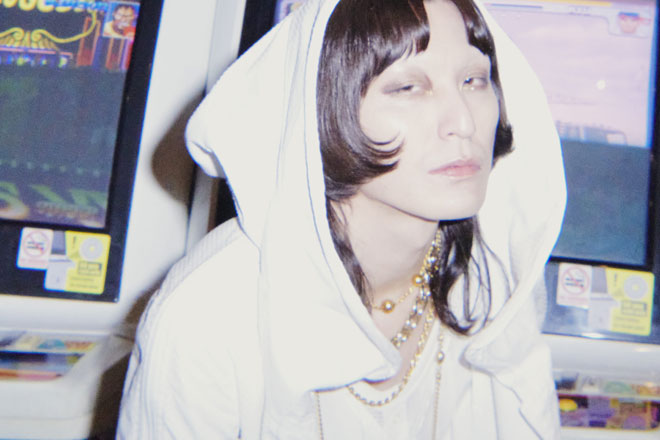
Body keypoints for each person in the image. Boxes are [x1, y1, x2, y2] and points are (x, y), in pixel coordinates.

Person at [117, 0, 566, 438]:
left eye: (474, 80)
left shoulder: (493, 277)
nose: (463, 122)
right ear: (320, 109)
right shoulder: (207, 315)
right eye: (408, 87)